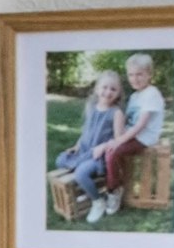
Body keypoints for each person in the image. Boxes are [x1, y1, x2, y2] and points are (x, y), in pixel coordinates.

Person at [97, 53, 167, 218]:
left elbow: (140, 124)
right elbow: (128, 120)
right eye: (131, 75)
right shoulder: (135, 96)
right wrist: (114, 136)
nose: (134, 79)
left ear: (149, 74)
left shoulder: (152, 93)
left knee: (113, 152)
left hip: (144, 137)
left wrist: (119, 140)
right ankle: (98, 186)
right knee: (102, 145)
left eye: (139, 74)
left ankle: (114, 191)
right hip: (131, 134)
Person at [54, 69, 126, 225]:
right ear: (97, 89)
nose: (108, 92)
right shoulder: (92, 107)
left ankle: (98, 201)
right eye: (104, 87)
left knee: (80, 173)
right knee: (60, 160)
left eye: (113, 89)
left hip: (98, 156)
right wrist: (76, 146)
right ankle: (86, 189)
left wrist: (103, 146)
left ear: (118, 93)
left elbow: (118, 139)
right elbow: (87, 132)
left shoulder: (116, 113)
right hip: (84, 150)